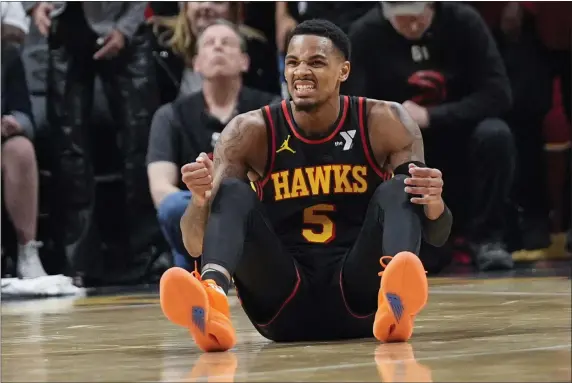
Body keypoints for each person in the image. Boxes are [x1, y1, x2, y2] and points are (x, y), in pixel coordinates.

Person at [159, 19, 452, 352]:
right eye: (293, 63)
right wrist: (199, 201)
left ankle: (397, 297)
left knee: (401, 187)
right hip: (282, 300)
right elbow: (195, 245)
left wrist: (434, 202)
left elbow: (438, 234)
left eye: (316, 62)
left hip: (361, 297)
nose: (301, 72)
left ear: (344, 71)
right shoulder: (249, 131)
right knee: (230, 191)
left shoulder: (386, 121)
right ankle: (212, 300)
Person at [345, 2, 516, 271]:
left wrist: (431, 116)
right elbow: (354, 108)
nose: (413, 26)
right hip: (404, 147)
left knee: (496, 134)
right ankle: (410, 240)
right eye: (404, 21)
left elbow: (498, 93)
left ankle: (488, 239)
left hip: (462, 134)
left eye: (420, 18)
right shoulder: (365, 33)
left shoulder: (464, 21)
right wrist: (397, 121)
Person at [27, 2, 158, 274]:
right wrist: (34, 5)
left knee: (139, 143)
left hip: (122, 18)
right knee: (69, 149)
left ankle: (148, 257)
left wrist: (125, 29)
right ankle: (78, 264)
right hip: (66, 23)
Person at [147, 20, 279, 271]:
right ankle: (195, 275)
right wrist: (203, 199)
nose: (217, 47)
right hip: (195, 208)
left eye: (227, 43)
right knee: (173, 207)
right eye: (209, 43)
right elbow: (161, 191)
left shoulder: (270, 108)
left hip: (253, 207)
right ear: (196, 63)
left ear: (244, 61)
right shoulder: (170, 115)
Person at [1, 36, 47, 278]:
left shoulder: (7, 55)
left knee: (21, 149)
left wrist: (15, 123)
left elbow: (26, 114)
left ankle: (27, 251)